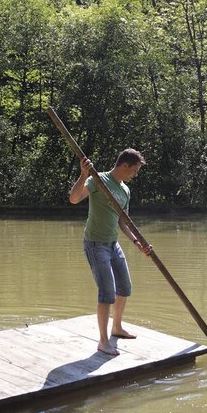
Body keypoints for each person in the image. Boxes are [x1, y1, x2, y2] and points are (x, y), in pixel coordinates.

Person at [68, 148, 153, 356]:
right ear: (124, 165)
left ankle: (117, 328)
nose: (135, 175)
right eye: (134, 170)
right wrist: (83, 174)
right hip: (96, 244)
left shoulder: (125, 190)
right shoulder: (99, 179)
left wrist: (137, 243)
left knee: (124, 287)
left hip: (112, 243)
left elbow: (123, 222)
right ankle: (103, 341)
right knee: (107, 292)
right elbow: (74, 198)